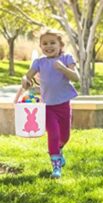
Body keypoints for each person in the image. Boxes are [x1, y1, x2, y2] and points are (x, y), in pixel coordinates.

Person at [22, 28, 80, 179]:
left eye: (52, 42)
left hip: (64, 104)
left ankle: (59, 149)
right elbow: (27, 78)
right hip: (47, 106)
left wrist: (62, 68)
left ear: (60, 45)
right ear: (41, 46)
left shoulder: (67, 58)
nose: (48, 46)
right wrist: (25, 81)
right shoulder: (39, 62)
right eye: (45, 43)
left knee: (65, 137)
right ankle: (56, 166)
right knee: (53, 134)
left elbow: (76, 78)